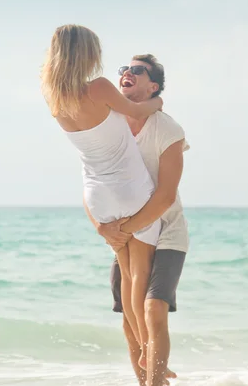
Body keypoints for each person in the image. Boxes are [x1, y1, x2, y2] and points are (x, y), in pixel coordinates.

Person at [40, 25, 163, 371]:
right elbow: (139, 112)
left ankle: (140, 347)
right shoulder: (100, 87)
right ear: (87, 54)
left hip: (97, 195)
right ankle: (148, 350)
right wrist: (159, 100)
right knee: (140, 275)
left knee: (126, 275)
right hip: (129, 188)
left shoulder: (55, 98)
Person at [92, 54, 189, 386]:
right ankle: (149, 382)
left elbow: (165, 196)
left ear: (154, 86)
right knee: (127, 322)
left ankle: (157, 377)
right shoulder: (109, 124)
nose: (126, 74)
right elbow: (93, 179)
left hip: (166, 233)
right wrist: (104, 229)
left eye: (137, 70)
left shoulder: (168, 129)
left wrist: (123, 230)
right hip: (126, 235)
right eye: (123, 70)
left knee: (153, 310)